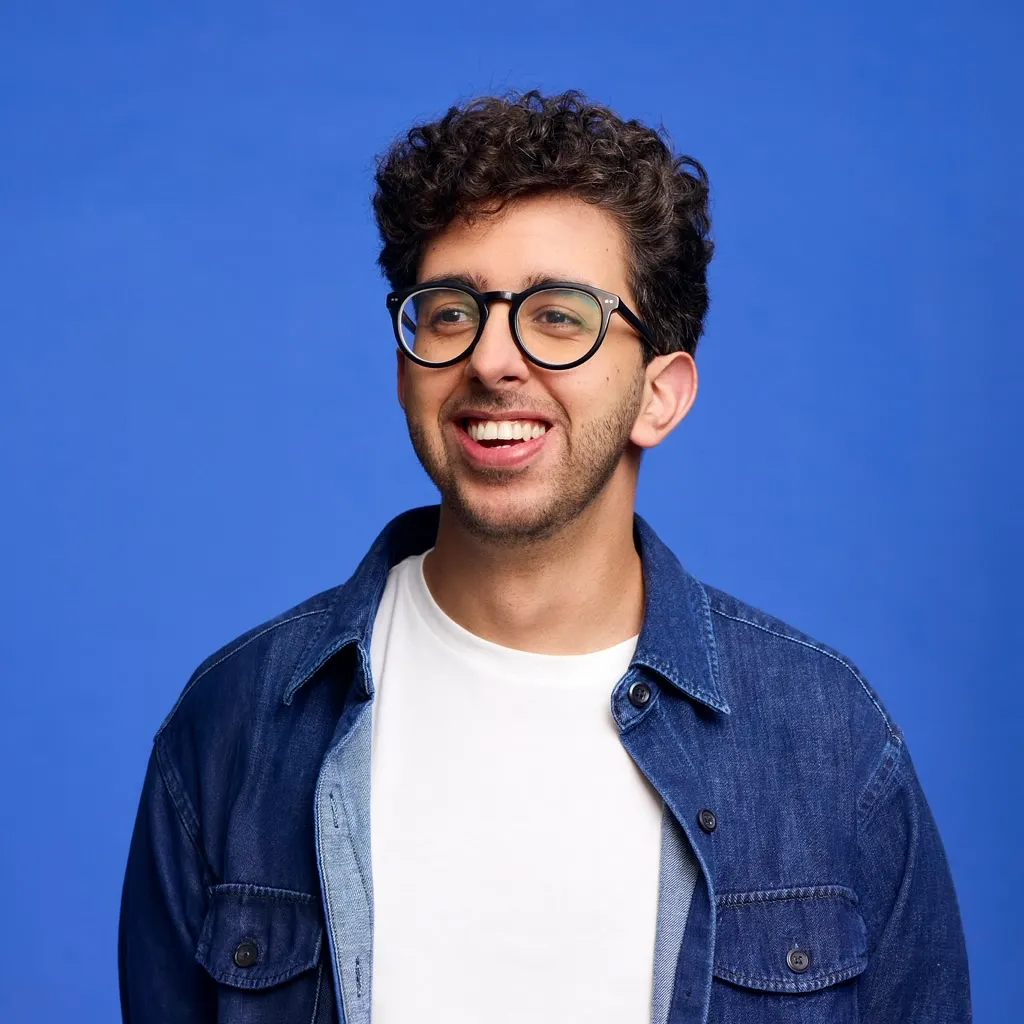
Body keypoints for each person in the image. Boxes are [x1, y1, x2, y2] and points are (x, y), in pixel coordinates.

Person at [118, 90, 970, 1024]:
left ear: (661, 394)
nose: (491, 359)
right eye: (451, 311)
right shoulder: (235, 725)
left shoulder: (831, 746)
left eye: (559, 316)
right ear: (406, 364)